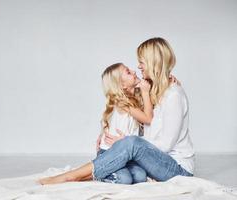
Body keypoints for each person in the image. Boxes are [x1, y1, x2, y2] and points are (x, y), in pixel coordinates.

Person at [39, 37, 195, 185]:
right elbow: (129, 113)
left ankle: (71, 176)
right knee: (135, 172)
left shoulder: (173, 95)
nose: (138, 67)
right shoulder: (154, 89)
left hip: (177, 169)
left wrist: (126, 143)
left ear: (154, 63)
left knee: (132, 143)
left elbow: (165, 144)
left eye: (142, 62)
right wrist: (109, 135)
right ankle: (85, 173)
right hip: (156, 160)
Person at [39, 62, 153, 185]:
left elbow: (111, 122)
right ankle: (86, 175)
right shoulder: (123, 104)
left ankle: (97, 172)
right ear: (122, 85)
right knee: (124, 180)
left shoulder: (133, 98)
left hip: (125, 153)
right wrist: (145, 92)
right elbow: (147, 118)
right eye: (128, 72)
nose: (134, 71)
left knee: (140, 176)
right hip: (109, 152)